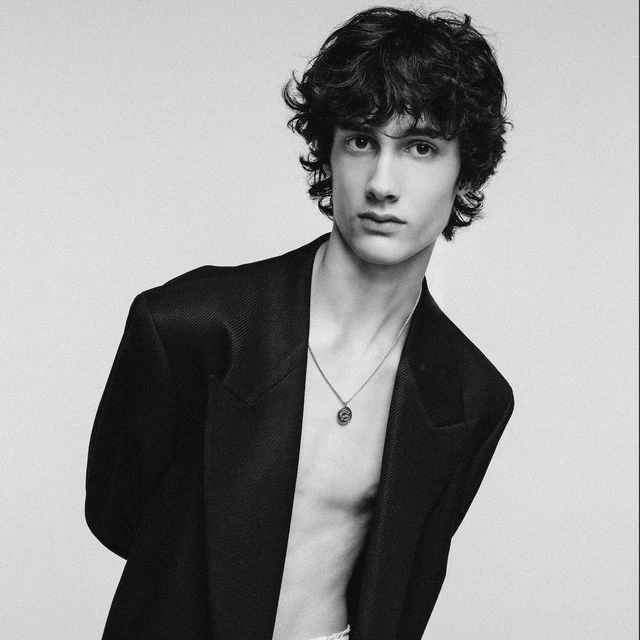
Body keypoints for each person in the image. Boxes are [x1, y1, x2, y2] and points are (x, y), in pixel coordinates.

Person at [85, 7, 515, 640]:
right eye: (361, 141)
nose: (382, 183)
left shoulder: (471, 398)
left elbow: (404, 585)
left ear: (465, 169)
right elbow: (118, 517)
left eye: (421, 147)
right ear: (329, 154)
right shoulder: (189, 327)